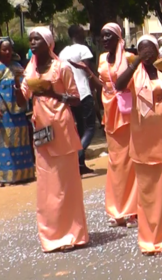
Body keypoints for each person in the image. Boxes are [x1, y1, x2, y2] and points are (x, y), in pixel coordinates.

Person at [19, 27, 89, 252]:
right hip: (41, 130)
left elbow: (76, 99)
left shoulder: (62, 67)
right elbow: (23, 100)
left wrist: (53, 95)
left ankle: (72, 234)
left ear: (48, 42)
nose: (32, 42)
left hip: (62, 127)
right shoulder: (29, 70)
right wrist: (14, 90)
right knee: (48, 186)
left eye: (36, 39)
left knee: (66, 185)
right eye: (30, 39)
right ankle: (52, 235)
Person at [115, 35, 162, 255]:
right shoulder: (135, 75)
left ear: (156, 52)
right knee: (147, 194)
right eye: (142, 49)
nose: (146, 53)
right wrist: (134, 63)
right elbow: (118, 85)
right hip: (143, 142)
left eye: (150, 49)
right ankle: (149, 239)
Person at [73, 23, 139, 227]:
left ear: (119, 37)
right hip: (109, 112)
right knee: (116, 163)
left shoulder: (128, 58)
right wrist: (89, 73)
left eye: (109, 36)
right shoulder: (102, 58)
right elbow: (104, 85)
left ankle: (132, 210)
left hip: (127, 113)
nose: (105, 40)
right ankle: (117, 209)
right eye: (103, 36)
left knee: (129, 162)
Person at [0, 37, 35, 186]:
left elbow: (25, 86)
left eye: (9, 49)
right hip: (2, 113)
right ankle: (7, 177)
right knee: (5, 143)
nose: (7, 52)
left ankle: (24, 174)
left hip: (18, 110)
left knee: (21, 142)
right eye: (4, 49)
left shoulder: (17, 66)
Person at [59, 25, 96, 175]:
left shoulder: (63, 52)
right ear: (78, 34)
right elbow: (87, 71)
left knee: (80, 128)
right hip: (84, 92)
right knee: (90, 128)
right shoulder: (83, 49)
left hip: (71, 95)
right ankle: (77, 156)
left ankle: (81, 165)